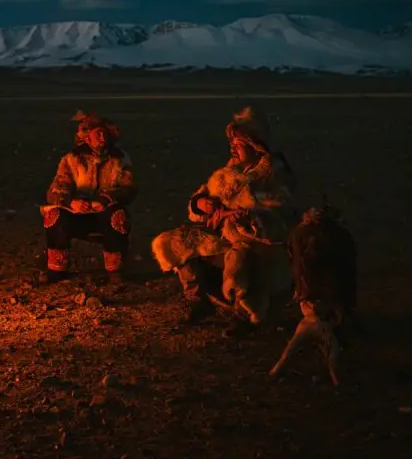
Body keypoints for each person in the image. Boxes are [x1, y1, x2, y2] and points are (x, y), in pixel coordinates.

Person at [151, 106, 297, 336]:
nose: (232, 148)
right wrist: (200, 203)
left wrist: (250, 219)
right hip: (226, 237)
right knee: (175, 241)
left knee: (240, 262)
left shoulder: (273, 176)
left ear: (254, 146)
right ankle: (199, 301)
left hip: (258, 245)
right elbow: (202, 195)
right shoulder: (229, 172)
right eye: (231, 144)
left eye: (237, 144)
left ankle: (243, 316)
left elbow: (282, 218)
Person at [40, 111, 139, 285]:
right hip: (76, 213)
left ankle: (115, 270)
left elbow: (129, 188)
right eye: (97, 134)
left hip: (104, 214)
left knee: (118, 216)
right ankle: (57, 269)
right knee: (54, 216)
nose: (102, 137)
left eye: (104, 133)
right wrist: (71, 202)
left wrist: (106, 199)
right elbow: (56, 189)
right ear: (86, 138)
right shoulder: (72, 159)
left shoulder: (120, 159)